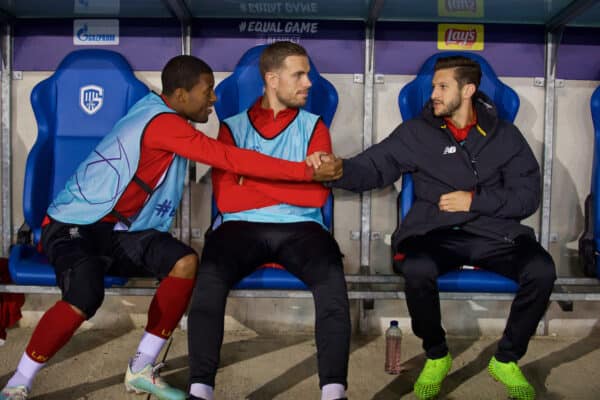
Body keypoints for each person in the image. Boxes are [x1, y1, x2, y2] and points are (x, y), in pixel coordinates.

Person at [0, 55, 335, 400]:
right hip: (75, 225)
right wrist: (306, 172)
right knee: (86, 292)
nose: (214, 99)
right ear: (180, 94)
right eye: (207, 91)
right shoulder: (163, 123)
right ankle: (19, 382)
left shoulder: (164, 113)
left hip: (120, 231)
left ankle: (141, 368)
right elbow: (231, 158)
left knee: (185, 262)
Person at [316, 56, 556, 400]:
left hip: (495, 234)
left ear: (468, 90)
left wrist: (474, 201)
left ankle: (506, 359)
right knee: (415, 267)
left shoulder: (506, 136)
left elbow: (527, 196)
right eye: (433, 87)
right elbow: (375, 166)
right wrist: (339, 169)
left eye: (443, 87)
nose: (434, 94)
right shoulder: (417, 131)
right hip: (436, 233)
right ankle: (437, 353)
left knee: (542, 270)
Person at [186, 41, 351, 400]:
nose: (309, 83)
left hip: (304, 228)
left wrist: (252, 179)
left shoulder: (314, 126)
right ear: (272, 79)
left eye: (307, 74)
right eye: (300, 75)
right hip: (237, 227)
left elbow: (317, 195)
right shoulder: (232, 128)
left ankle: (334, 392)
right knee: (208, 285)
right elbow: (227, 197)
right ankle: (200, 390)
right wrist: (296, 179)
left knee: (334, 289)